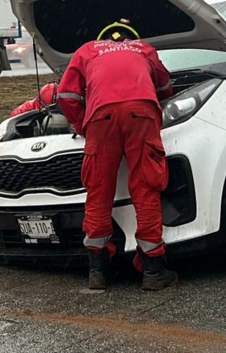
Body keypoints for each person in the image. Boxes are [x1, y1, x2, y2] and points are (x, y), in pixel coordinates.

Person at [56, 19, 176, 291]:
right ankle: (153, 271)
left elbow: (65, 95)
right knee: (146, 186)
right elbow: (165, 88)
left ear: (102, 39)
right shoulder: (143, 49)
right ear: (130, 39)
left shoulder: (87, 50)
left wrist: (80, 123)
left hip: (100, 117)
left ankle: (98, 272)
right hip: (141, 114)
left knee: (98, 189)